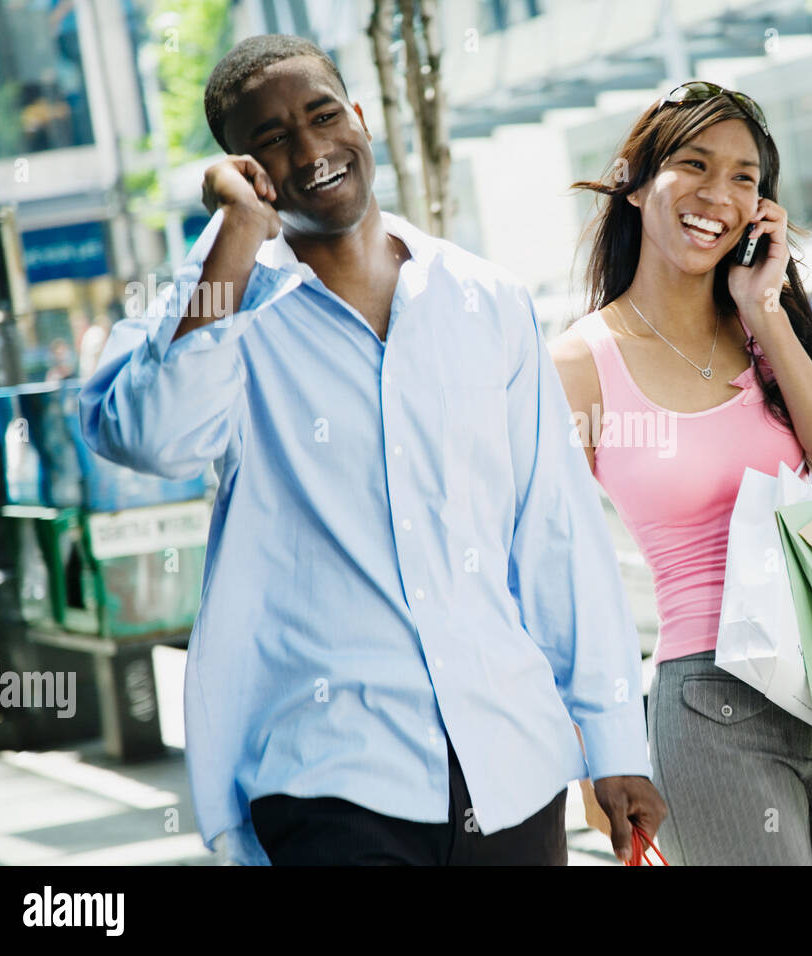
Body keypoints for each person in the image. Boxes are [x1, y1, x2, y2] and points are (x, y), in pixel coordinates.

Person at [79, 34, 664, 866]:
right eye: (273, 139)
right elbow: (149, 435)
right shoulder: (232, 309)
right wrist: (236, 233)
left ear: (359, 117)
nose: (311, 148)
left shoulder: (485, 301)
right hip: (330, 775)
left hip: (510, 765)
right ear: (246, 170)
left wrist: (613, 745)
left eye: (322, 116)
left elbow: (556, 531)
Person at [549, 81, 812, 865]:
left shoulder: (764, 330)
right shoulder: (580, 363)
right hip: (708, 704)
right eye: (694, 164)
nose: (718, 195)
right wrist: (595, 752)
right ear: (633, 180)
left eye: (744, 178)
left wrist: (764, 308)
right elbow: (551, 569)